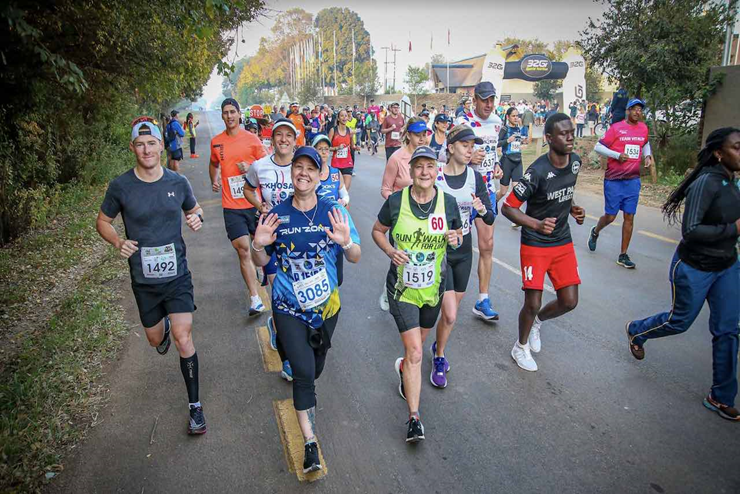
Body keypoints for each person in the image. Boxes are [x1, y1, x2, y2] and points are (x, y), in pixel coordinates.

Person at [251, 146, 362, 471]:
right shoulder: (276, 215)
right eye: (297, 167)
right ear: (291, 173)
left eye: (310, 168)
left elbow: (356, 255)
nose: (303, 173)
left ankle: (298, 362)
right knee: (302, 373)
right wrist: (258, 243)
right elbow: (262, 261)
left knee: (315, 369)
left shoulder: (334, 211)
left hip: (326, 309)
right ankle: (310, 442)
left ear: (318, 174)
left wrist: (344, 241)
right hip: (287, 307)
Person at [96, 116, 207, 434]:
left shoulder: (177, 182)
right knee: (155, 338)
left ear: (162, 145)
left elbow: (195, 209)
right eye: (140, 144)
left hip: (177, 276)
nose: (146, 150)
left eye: (152, 143)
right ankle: (164, 326)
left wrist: (197, 218)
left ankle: (195, 408)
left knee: (183, 337)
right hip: (144, 281)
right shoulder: (121, 186)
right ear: (133, 148)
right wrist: (117, 240)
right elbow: (102, 221)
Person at [626, 127, 740, 421]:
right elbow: (691, 230)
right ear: (719, 153)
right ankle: (639, 330)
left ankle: (721, 395)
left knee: (728, 330)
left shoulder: (732, 180)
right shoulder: (707, 183)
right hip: (694, 268)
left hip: (727, 266)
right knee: (680, 322)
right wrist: (734, 230)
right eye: (737, 147)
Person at [371, 145, 462, 442]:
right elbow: (377, 231)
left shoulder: (447, 204)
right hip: (402, 289)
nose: (424, 172)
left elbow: (459, 237)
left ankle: (404, 369)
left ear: (437, 170)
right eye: (419, 166)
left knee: (417, 348)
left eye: (430, 166)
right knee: (415, 352)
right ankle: (414, 418)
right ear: (410, 171)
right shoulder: (396, 202)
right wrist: (390, 251)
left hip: (433, 290)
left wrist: (455, 237)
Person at [502, 113, 585, 372]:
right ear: (549, 138)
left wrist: (572, 208)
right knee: (532, 301)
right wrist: (536, 224)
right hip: (536, 244)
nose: (570, 137)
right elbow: (508, 207)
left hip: (562, 241)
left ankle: (538, 321)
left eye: (571, 131)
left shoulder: (576, 162)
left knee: (570, 301)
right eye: (563, 133)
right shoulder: (536, 171)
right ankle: (520, 346)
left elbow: (564, 191)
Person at [431, 126, 495, 387]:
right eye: (465, 145)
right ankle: (439, 357)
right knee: (450, 315)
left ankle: (439, 346)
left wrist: (482, 209)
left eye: (473, 145)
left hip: (464, 251)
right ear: (450, 147)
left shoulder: (475, 178)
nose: (470, 150)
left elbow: (489, 216)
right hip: (439, 250)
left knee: (450, 314)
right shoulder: (435, 176)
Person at [243, 117, 298, 381]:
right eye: (279, 135)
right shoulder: (259, 166)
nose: (284, 140)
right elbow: (247, 188)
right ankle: (287, 359)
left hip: (297, 236)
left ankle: (278, 326)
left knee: (297, 293)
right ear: (272, 139)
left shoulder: (302, 166)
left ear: (295, 140)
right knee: (280, 293)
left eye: (289, 135)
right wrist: (259, 206)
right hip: (270, 235)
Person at [209, 98, 267, 317]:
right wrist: (214, 179)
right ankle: (255, 298)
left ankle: (261, 267)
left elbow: (268, 166)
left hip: (253, 202)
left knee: (258, 246)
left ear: (239, 114)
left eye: (233, 111)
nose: (230, 116)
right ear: (222, 116)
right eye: (226, 112)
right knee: (243, 249)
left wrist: (251, 167)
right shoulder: (216, 142)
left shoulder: (252, 140)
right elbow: (214, 163)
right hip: (231, 205)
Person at [455, 81, 504, 321]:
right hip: (463, 189)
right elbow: (444, 153)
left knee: (487, 245)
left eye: (492, 99)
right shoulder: (462, 123)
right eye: (484, 99)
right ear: (474, 100)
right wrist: (468, 156)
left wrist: (496, 166)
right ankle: (443, 291)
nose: (489, 104)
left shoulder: (497, 123)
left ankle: (483, 299)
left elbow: (494, 152)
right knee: (454, 244)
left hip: (486, 190)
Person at [587, 99, 654, 268]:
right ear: (628, 110)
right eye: (634, 109)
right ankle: (595, 231)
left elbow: (645, 143)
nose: (637, 112)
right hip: (614, 180)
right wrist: (617, 155)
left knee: (629, 217)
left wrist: (647, 155)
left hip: (632, 180)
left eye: (640, 110)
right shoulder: (616, 128)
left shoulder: (643, 128)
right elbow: (598, 147)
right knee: (610, 216)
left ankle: (623, 255)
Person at [497, 107, 524, 210]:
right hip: (507, 161)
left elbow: (517, 143)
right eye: (513, 116)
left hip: (518, 161)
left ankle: (515, 215)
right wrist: (507, 141)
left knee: (517, 190)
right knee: (503, 191)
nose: (516, 118)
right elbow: (497, 143)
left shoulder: (518, 128)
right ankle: (493, 202)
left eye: (517, 116)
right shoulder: (504, 129)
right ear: (508, 117)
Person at [313, 135, 349, 207]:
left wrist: (343, 201)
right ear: (314, 151)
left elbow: (345, 195)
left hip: (333, 215)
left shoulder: (336, 173)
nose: (323, 152)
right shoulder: (309, 174)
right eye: (320, 149)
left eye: (326, 149)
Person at [328, 109, 355, 192]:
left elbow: (352, 146)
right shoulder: (333, 130)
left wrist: (355, 147)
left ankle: (342, 204)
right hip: (336, 164)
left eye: (346, 115)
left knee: (345, 190)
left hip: (347, 163)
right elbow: (327, 147)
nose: (344, 117)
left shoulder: (349, 130)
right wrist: (337, 148)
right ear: (338, 118)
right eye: (342, 116)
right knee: (336, 189)